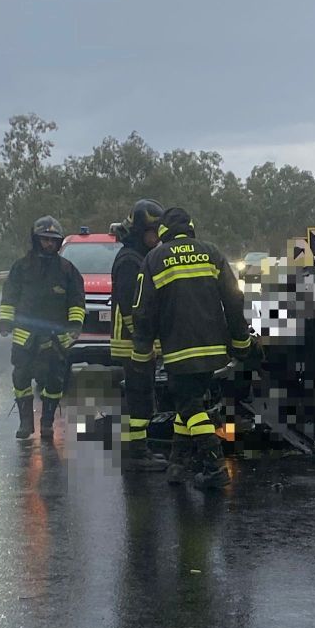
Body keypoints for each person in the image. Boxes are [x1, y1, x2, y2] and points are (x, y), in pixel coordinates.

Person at [131, 207, 252, 489]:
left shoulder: (155, 258)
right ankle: (178, 463)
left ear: (163, 231)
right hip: (213, 347)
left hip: (179, 348)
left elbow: (142, 310)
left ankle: (214, 467)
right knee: (190, 402)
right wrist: (241, 342)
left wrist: (141, 352)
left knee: (189, 405)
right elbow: (234, 300)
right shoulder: (211, 252)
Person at [0, 216, 86, 440]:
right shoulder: (21, 267)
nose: (49, 244)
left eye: (53, 240)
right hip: (24, 335)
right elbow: (9, 297)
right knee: (21, 377)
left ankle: (47, 422)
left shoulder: (68, 270)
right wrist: (5, 322)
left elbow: (76, 302)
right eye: (44, 239)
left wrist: (75, 326)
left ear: (58, 243)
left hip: (57, 337)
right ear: (36, 239)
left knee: (55, 381)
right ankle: (25, 422)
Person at [111, 198, 167, 471]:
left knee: (143, 394)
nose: (156, 238)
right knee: (139, 396)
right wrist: (142, 341)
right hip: (131, 343)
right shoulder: (129, 261)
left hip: (138, 342)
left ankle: (140, 447)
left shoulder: (139, 256)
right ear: (139, 231)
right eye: (152, 232)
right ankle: (136, 453)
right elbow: (130, 305)